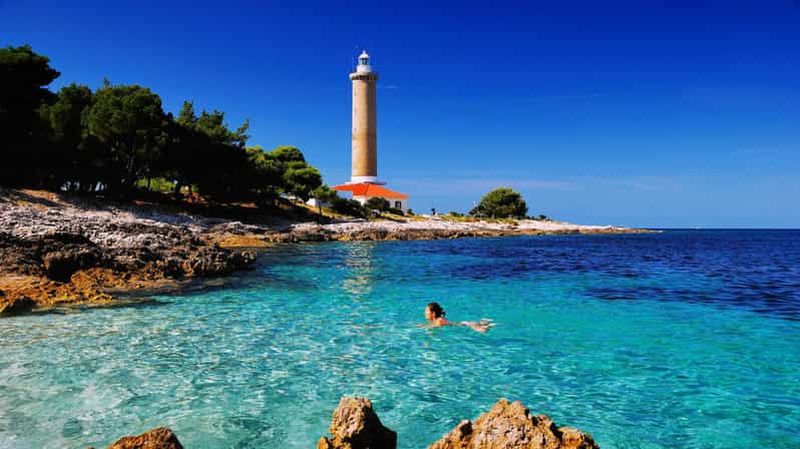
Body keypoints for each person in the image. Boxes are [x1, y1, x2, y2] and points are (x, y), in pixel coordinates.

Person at [423, 302, 493, 333]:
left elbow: (435, 327)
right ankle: (485, 322)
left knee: (483, 331)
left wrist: (423, 327)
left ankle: (486, 323)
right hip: (465, 323)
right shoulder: (438, 320)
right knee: (483, 327)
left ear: (433, 313)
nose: (425, 313)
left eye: (426, 311)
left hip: (467, 325)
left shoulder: (439, 320)